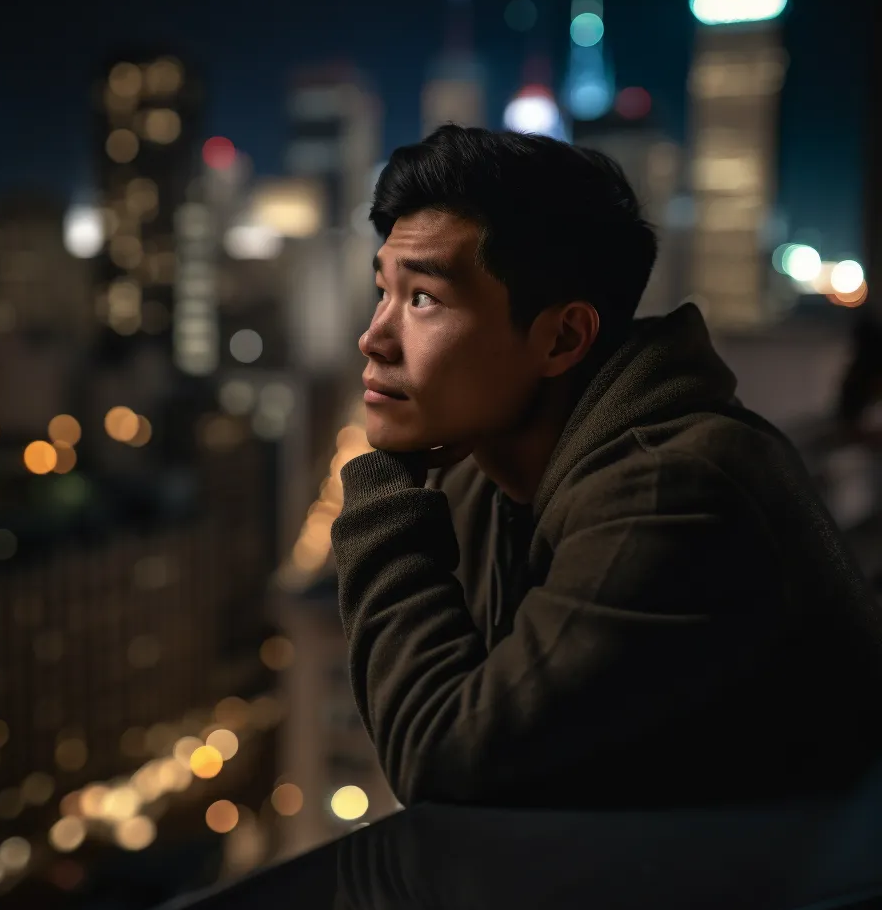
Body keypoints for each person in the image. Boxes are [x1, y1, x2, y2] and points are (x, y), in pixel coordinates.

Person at [329, 124, 882, 810]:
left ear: (563, 337)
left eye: (423, 300)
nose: (374, 336)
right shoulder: (480, 473)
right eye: (383, 290)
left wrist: (381, 485)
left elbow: (446, 761)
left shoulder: (678, 488)